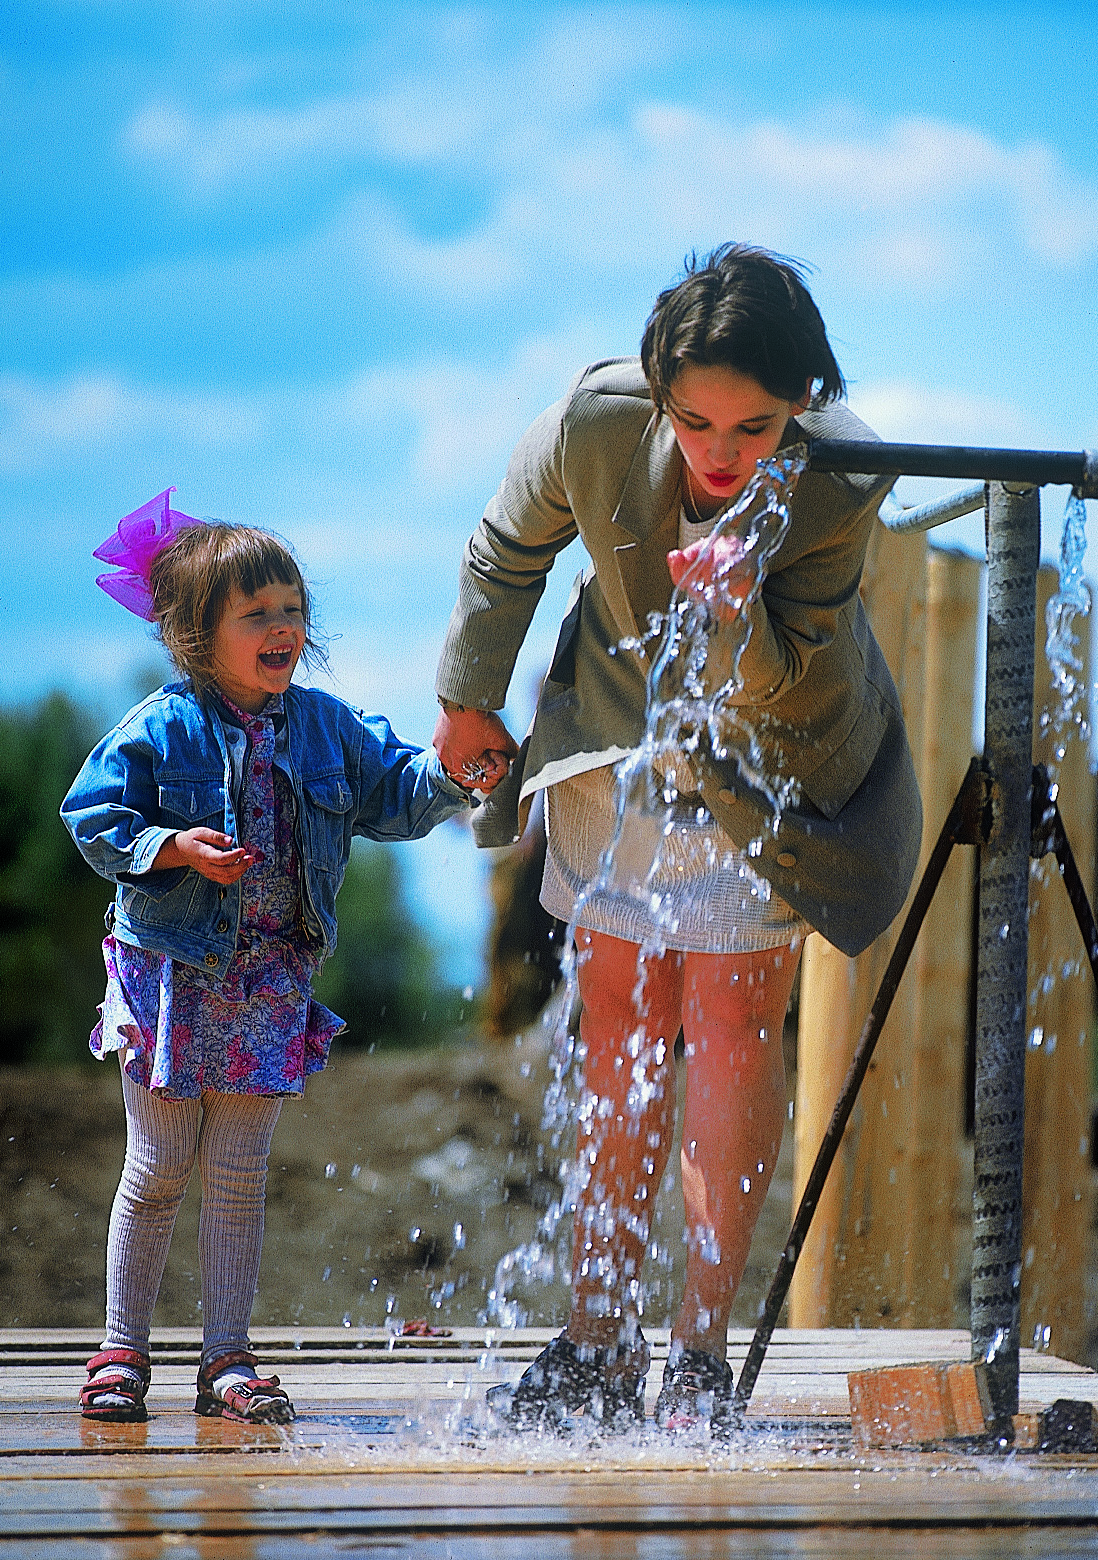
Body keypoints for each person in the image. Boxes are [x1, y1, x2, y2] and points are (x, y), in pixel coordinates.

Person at [433, 245, 922, 1432]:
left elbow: (785, 680)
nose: (719, 452)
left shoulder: (840, 475)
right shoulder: (591, 422)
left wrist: (734, 599)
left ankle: (696, 1352)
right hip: (618, 728)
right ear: (656, 395)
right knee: (619, 1014)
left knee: (730, 1018)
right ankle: (596, 1333)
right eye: (694, 420)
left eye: (753, 427)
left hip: (774, 760)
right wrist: (466, 693)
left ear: (800, 401)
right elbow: (505, 550)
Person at [62, 491, 471, 1424]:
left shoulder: (327, 727)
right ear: (197, 636)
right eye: (257, 612)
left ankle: (226, 1360)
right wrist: (174, 848)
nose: (283, 624)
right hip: (170, 973)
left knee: (240, 1175)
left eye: (292, 608)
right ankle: (123, 1349)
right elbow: (91, 817)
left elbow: (397, 797)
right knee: (160, 1165)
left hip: (270, 977)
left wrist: (454, 773)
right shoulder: (159, 728)